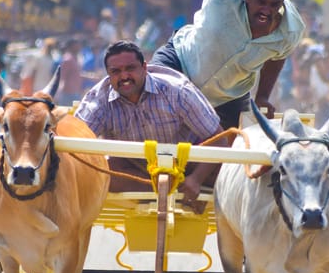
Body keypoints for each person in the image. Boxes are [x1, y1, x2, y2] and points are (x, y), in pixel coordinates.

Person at [151, 0, 305, 130]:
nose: (266, 10)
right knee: (149, 103)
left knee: (233, 149)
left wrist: (263, 97)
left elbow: (278, 56)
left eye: (274, 4)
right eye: (261, 2)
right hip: (180, 62)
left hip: (228, 95)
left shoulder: (290, 31)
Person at [74, 40, 224, 211]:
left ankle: (181, 187)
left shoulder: (177, 91)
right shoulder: (99, 99)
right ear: (108, 75)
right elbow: (76, 144)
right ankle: (169, 191)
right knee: (101, 170)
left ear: (144, 67)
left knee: (228, 167)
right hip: (136, 173)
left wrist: (196, 179)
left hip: (188, 167)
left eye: (130, 68)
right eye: (116, 71)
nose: (124, 77)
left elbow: (219, 140)